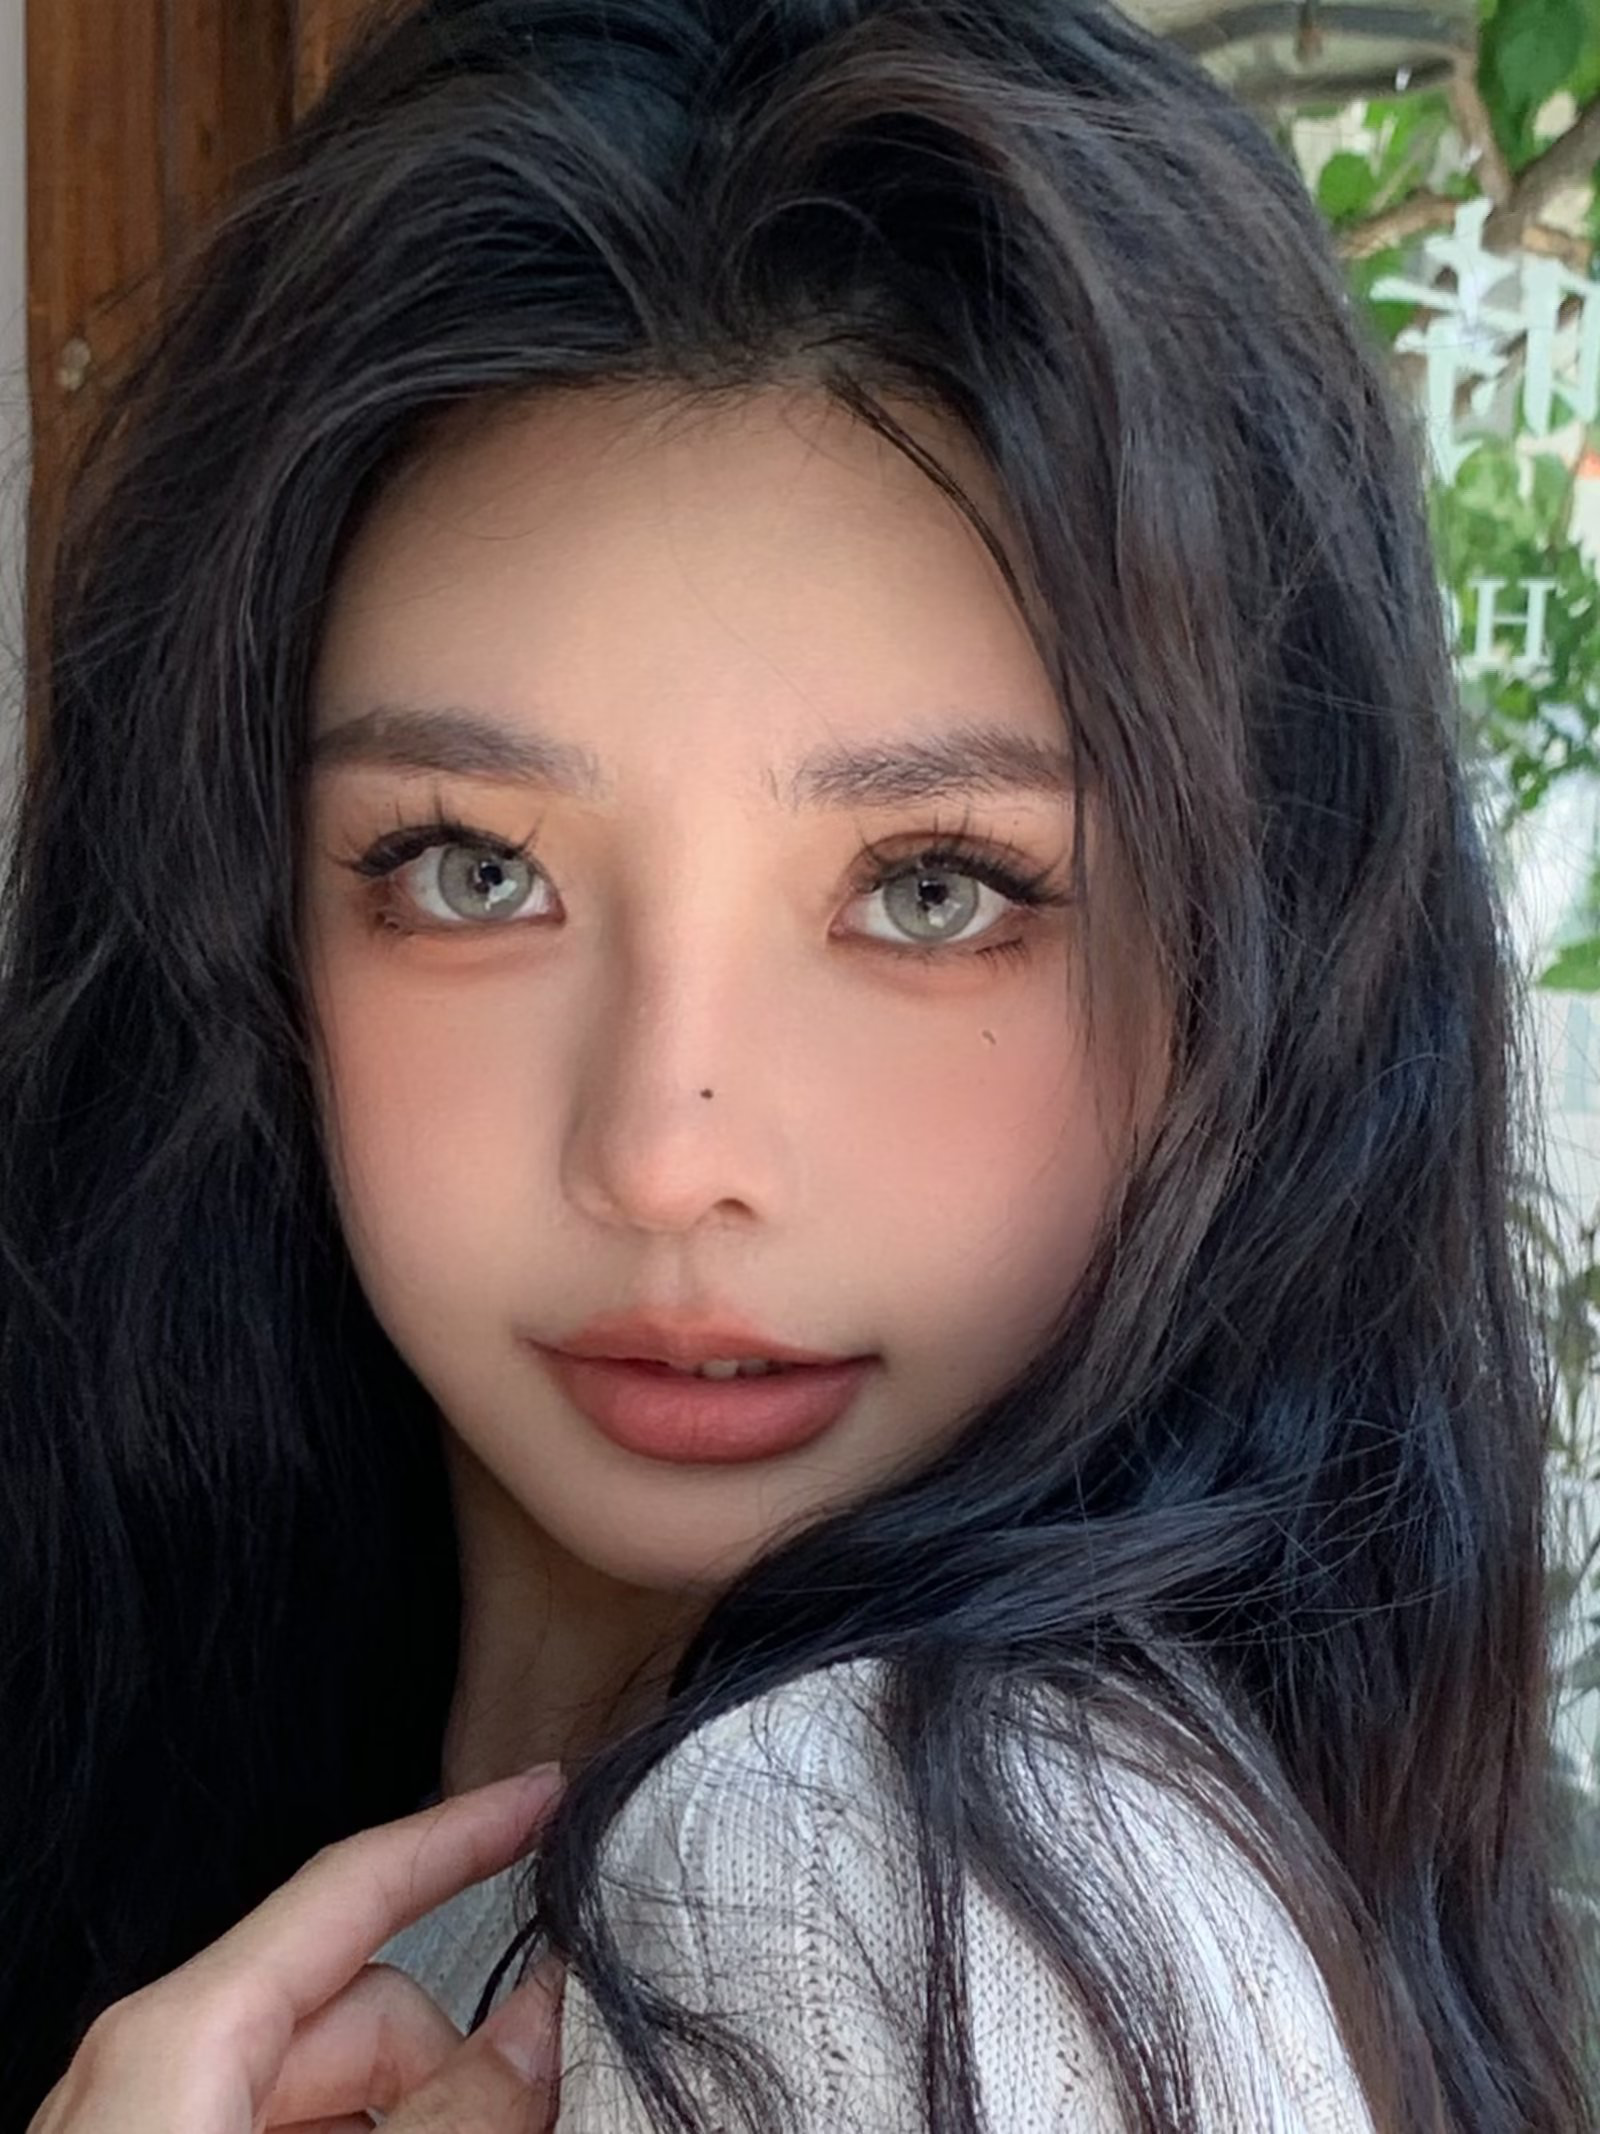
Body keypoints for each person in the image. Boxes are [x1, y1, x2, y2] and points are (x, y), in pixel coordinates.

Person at [3, 0, 1594, 2127]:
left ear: (1260, 966)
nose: (666, 1152)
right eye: (472, 870)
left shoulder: (883, 1894)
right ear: (242, 915)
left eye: (934, 889)